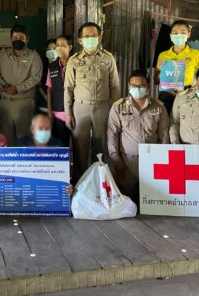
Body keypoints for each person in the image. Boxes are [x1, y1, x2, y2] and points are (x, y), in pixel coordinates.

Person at [64, 22, 120, 184]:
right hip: (80, 108)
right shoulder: (74, 61)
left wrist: (116, 112)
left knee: (101, 147)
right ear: (80, 40)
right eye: (86, 36)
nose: (90, 39)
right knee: (79, 147)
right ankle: (80, 184)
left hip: (103, 107)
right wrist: (68, 114)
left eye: (93, 36)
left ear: (100, 38)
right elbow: (68, 88)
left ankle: (101, 184)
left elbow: (115, 86)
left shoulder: (108, 58)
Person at [108, 69, 169, 199]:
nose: (137, 88)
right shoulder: (118, 107)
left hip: (152, 163)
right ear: (128, 86)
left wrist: (163, 160)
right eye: (133, 86)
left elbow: (164, 135)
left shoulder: (159, 107)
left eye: (141, 85)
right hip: (127, 163)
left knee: (151, 201)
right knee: (127, 202)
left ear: (148, 86)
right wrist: (117, 161)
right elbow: (112, 135)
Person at [0, 24, 43, 145]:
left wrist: (18, 89)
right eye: (14, 37)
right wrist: (5, 86)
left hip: (24, 103)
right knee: (6, 138)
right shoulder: (2, 56)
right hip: (5, 103)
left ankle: (23, 164)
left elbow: (36, 77)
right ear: (11, 39)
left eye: (21, 37)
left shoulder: (34, 57)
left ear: (27, 39)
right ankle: (9, 164)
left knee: (24, 139)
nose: (17, 40)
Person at [156, 20, 199, 114]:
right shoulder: (163, 55)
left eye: (183, 33)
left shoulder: (196, 54)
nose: (179, 36)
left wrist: (193, 90)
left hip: (187, 93)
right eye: (175, 33)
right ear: (170, 35)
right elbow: (155, 80)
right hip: (167, 93)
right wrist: (160, 74)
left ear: (189, 34)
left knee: (185, 122)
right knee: (164, 121)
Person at [47, 35, 73, 147]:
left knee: (78, 143)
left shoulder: (76, 64)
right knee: (62, 143)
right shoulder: (52, 67)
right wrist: (49, 110)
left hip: (75, 111)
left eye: (63, 45)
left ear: (70, 47)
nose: (60, 48)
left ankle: (78, 165)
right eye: (58, 45)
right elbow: (49, 90)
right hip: (59, 112)